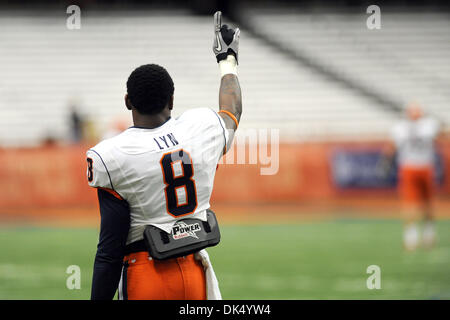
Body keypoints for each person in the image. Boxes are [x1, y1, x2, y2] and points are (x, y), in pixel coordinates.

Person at [86, 11, 241, 299]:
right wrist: (227, 60)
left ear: (128, 101)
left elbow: (109, 251)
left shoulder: (112, 154)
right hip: (196, 271)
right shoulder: (201, 128)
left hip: (145, 273)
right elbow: (232, 112)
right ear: (171, 100)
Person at [388, 103, 441, 251]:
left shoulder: (400, 127)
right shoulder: (429, 125)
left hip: (412, 167)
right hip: (420, 166)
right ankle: (423, 234)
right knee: (422, 203)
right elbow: (439, 136)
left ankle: (415, 236)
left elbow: (392, 147)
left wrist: (387, 160)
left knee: (416, 203)